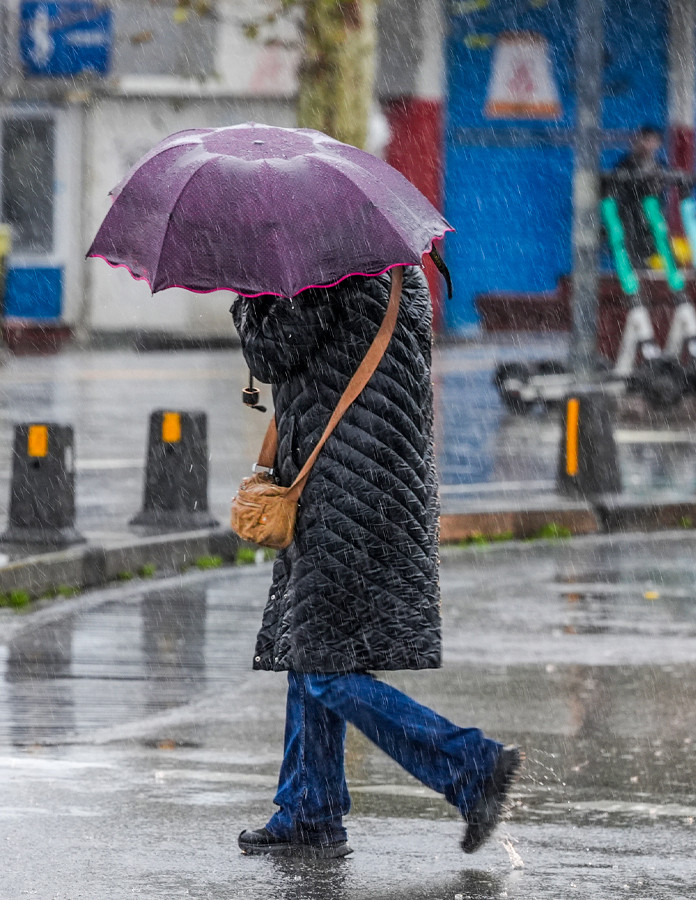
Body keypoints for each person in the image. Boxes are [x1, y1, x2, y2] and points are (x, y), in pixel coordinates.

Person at [230, 266, 522, 860]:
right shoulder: (396, 270)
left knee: (326, 667)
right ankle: (309, 810)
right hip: (386, 481)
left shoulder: (321, 274)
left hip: (344, 488)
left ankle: (469, 764)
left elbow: (273, 352)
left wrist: (247, 296)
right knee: (309, 647)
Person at [604, 124, 668, 265]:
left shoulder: (660, 167)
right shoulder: (625, 166)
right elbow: (615, 193)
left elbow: (659, 193)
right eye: (645, 140)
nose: (648, 146)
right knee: (634, 262)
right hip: (631, 225)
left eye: (653, 141)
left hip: (651, 226)